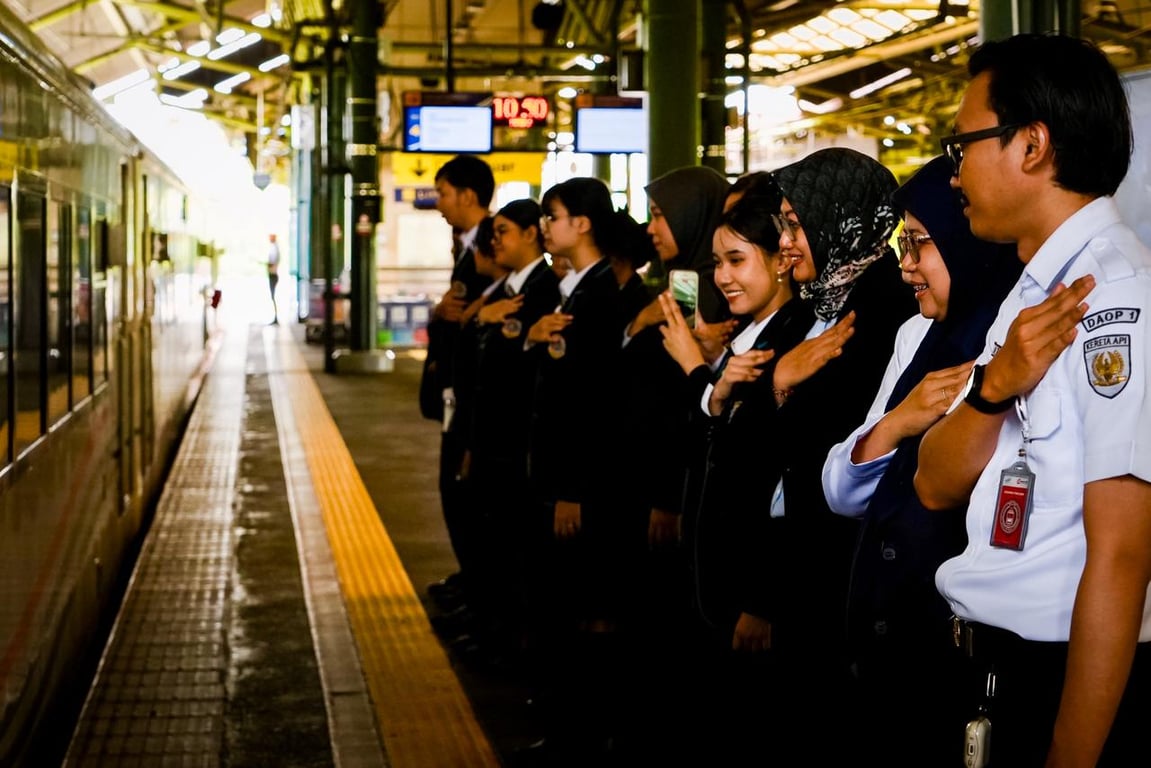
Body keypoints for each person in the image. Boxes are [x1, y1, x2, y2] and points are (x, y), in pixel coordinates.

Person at [913, 34, 1151, 767]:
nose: (953, 177)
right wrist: (990, 389)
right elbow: (932, 483)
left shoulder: (1114, 295)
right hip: (985, 670)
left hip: (1057, 681)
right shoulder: (1032, 289)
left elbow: (1121, 553)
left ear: (1032, 145)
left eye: (962, 148)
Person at [821, 155, 1021, 765]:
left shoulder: (1014, 342)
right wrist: (902, 419)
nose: (906, 265)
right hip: (879, 625)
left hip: (948, 641)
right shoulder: (915, 336)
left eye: (920, 243)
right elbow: (839, 489)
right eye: (902, 244)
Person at [766, 147, 919, 760]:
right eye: (782, 225)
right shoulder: (815, 307)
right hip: (803, 556)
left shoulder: (887, 313)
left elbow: (836, 444)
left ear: (842, 216)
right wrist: (778, 382)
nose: (784, 243)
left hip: (844, 567)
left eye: (796, 224)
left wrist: (778, 391)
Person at [656, 177, 813, 764]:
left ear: (780, 263)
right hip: (714, 572)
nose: (721, 277)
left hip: (747, 580)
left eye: (737, 261)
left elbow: (777, 478)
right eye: (718, 261)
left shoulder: (788, 342)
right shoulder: (747, 335)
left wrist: (762, 598)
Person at [420, 154, 495, 619]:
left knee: (466, 494)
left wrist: (457, 319)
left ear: (468, 195)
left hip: (473, 400)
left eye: (444, 193)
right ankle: (471, 583)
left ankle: (479, 594)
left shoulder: (485, 249)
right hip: (458, 396)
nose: (439, 203)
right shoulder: (463, 246)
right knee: (457, 493)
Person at [266, 234, 280, 324]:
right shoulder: (273, 248)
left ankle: (276, 317)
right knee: (272, 296)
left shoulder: (275, 248)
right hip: (272, 274)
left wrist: (269, 265)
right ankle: (275, 317)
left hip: (273, 274)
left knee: (273, 296)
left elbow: (273, 262)